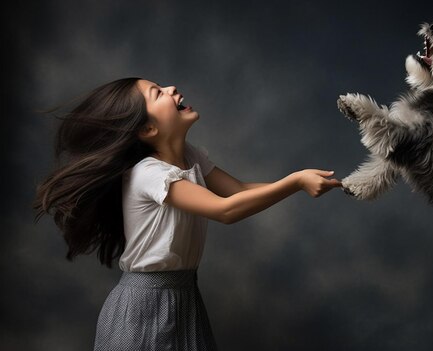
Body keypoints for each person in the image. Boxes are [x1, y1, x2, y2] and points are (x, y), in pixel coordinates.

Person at [32, 77, 343, 350]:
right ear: (148, 128)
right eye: (157, 93)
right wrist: (295, 182)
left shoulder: (189, 156)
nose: (171, 88)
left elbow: (237, 191)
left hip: (184, 298)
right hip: (143, 309)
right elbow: (225, 210)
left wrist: (301, 182)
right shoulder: (149, 174)